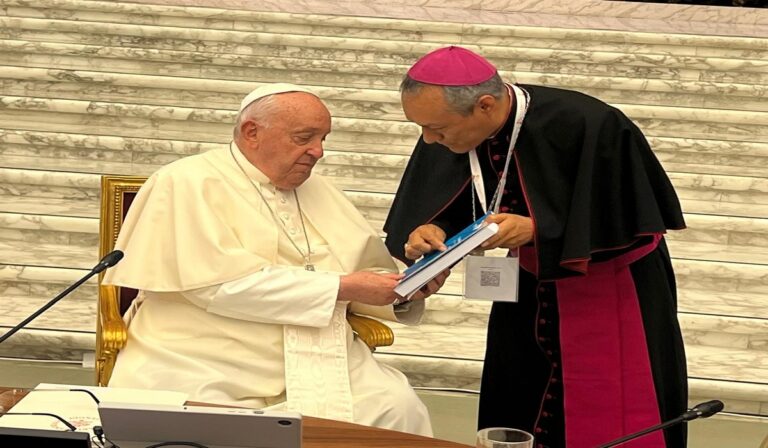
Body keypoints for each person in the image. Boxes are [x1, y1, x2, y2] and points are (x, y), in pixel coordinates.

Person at [384, 46, 688, 447]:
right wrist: (433, 225)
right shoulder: (450, 128)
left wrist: (538, 228)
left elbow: (630, 214)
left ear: (485, 105)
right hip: (528, 286)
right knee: (519, 392)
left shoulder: (589, 122)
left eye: (437, 129)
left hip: (607, 285)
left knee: (611, 406)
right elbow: (456, 195)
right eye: (421, 128)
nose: (429, 140)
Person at [102, 83, 447, 436]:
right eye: (305, 138)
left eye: (323, 138)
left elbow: (365, 269)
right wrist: (343, 287)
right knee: (190, 414)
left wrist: (405, 288)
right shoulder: (185, 181)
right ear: (252, 132)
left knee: (396, 405)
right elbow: (215, 286)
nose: (318, 152)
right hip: (203, 348)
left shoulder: (321, 190)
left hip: (318, 345)